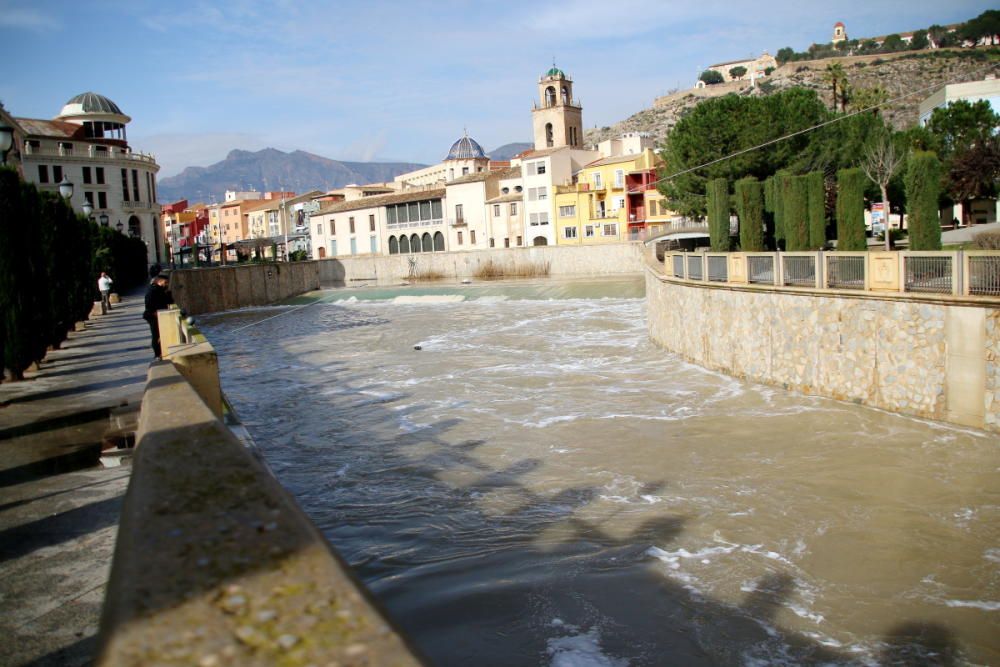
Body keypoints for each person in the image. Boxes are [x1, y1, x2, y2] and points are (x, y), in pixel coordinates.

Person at [143, 273, 174, 359]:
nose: (166, 284)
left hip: (159, 315)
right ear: (159, 281)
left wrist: (168, 293)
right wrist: (154, 313)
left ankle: (160, 352)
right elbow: (148, 304)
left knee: (159, 334)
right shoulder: (152, 290)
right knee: (156, 335)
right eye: (165, 282)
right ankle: (157, 354)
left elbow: (169, 302)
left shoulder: (160, 290)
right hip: (153, 316)